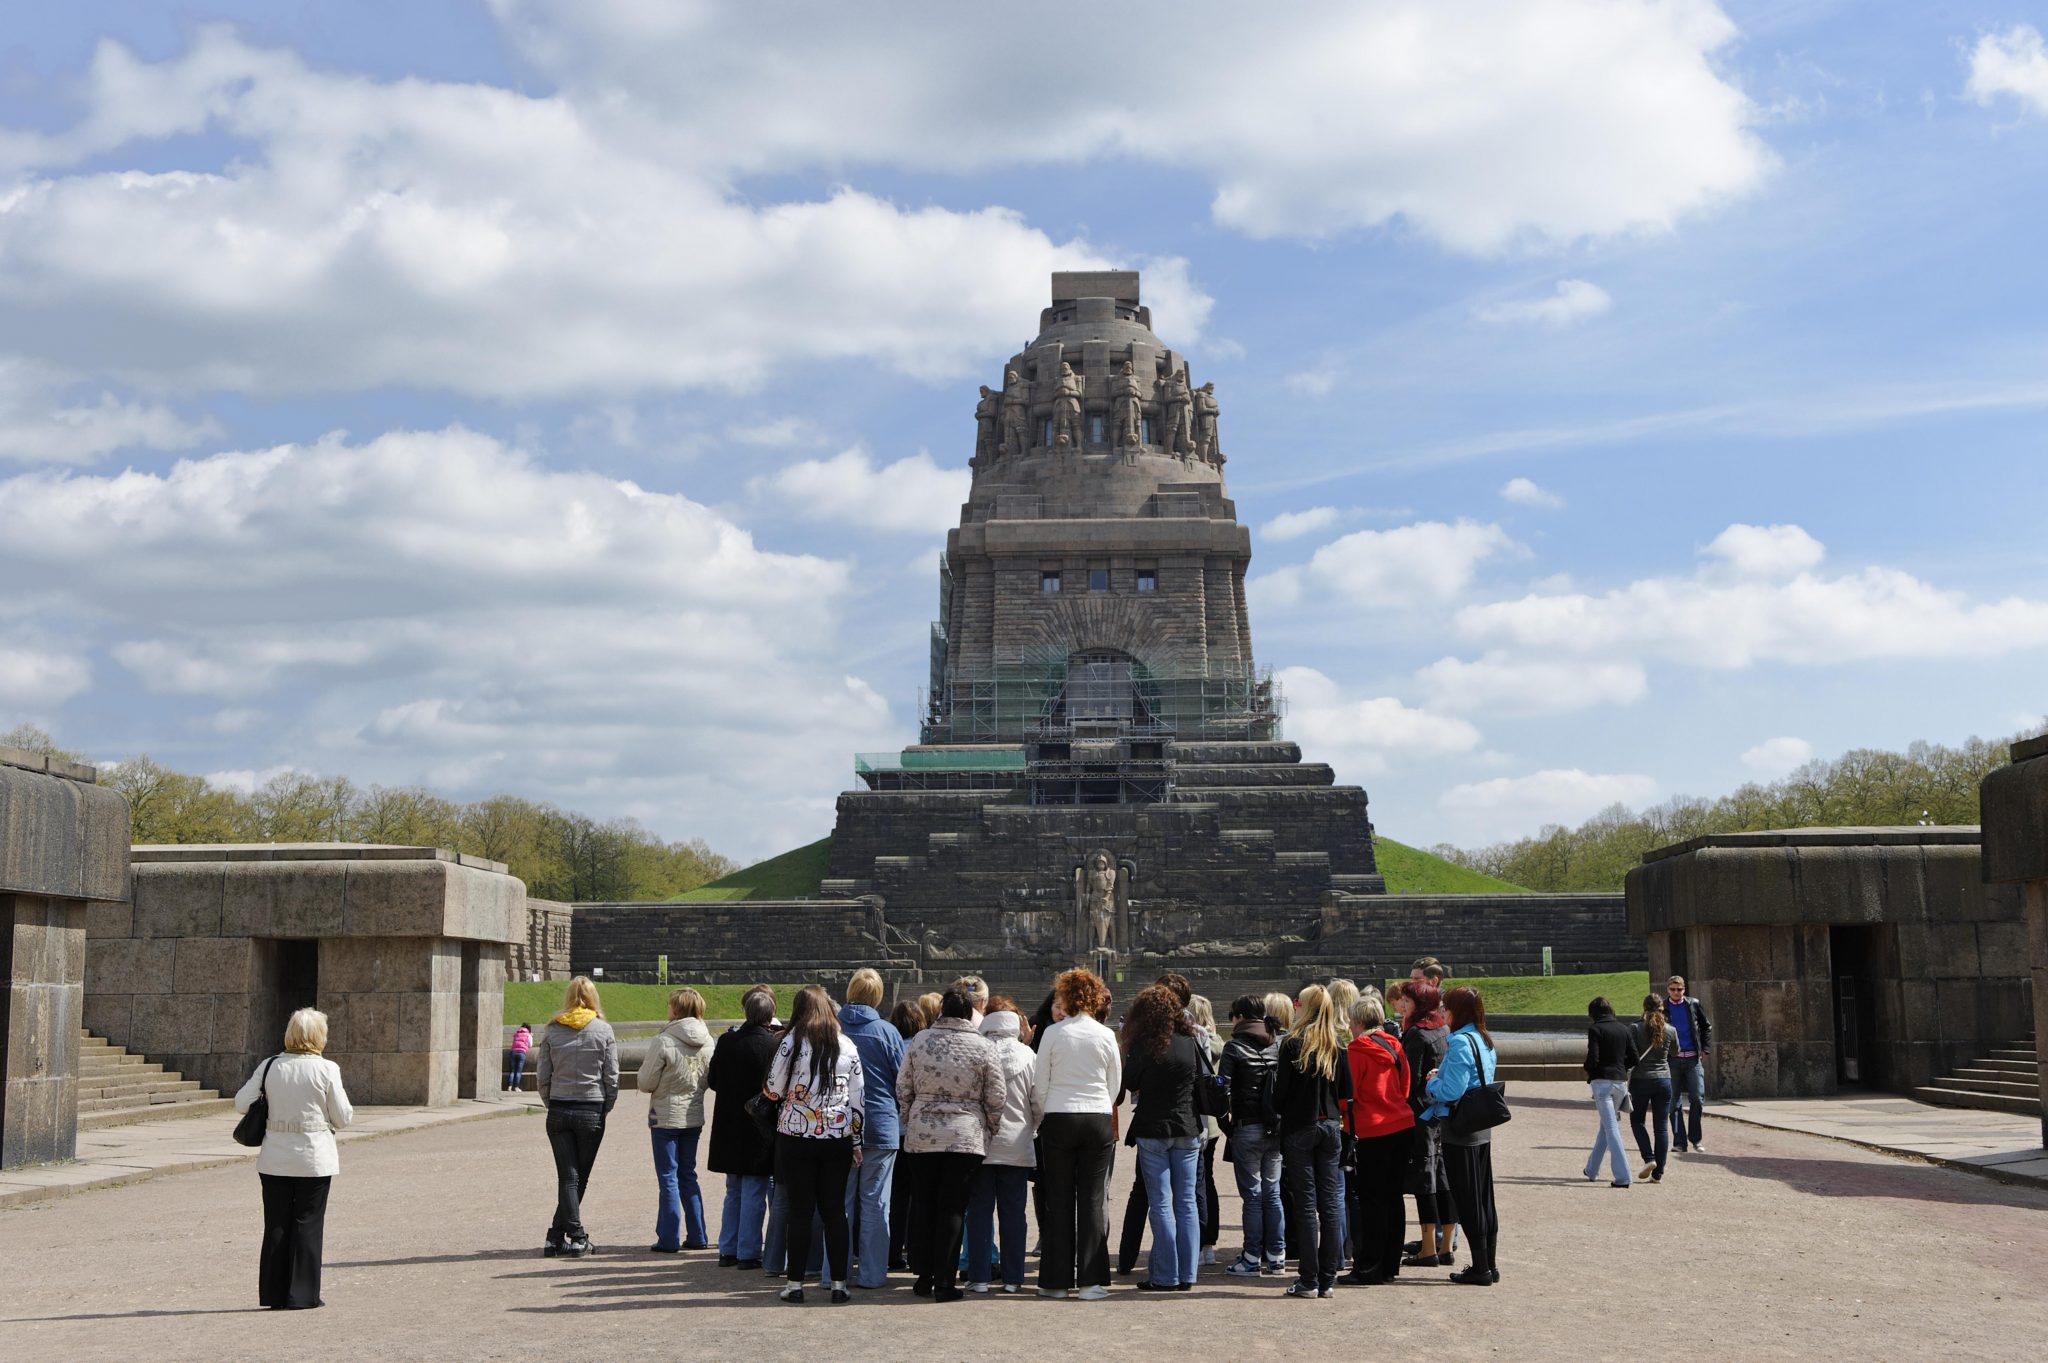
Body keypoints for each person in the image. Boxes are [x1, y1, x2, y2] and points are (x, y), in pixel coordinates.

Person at [234, 1007, 353, 1309]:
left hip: (275, 1155)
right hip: (314, 1156)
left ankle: (274, 1292)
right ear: (319, 1037)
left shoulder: (270, 1065)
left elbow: (241, 1103)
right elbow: (342, 1118)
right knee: (308, 1224)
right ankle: (302, 1293)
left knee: (276, 1224)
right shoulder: (327, 1069)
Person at [896, 984, 1003, 1302]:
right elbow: (996, 1096)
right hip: (964, 1134)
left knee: (925, 1204)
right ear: (970, 1012)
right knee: (953, 1208)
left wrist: (911, 1117)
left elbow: (903, 1087)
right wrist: (989, 1129)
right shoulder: (983, 1046)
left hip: (923, 1133)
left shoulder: (921, 1040)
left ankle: (923, 1276)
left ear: (942, 1010)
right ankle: (945, 1280)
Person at [764, 984, 866, 1304]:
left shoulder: (790, 1043)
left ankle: (795, 1284)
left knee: (800, 1211)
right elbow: (858, 1100)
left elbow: (772, 1088)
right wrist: (857, 1141)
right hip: (836, 1136)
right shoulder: (847, 1044)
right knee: (835, 1212)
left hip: (795, 1136)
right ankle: (838, 1284)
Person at [1031, 968, 1122, 1301]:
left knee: (1058, 1199)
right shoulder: (1106, 1034)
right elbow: (1115, 1084)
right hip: (1096, 1117)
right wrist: (1098, 1103)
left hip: (1058, 1116)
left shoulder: (1054, 1033)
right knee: (1093, 1200)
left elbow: (1040, 1084)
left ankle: (1054, 1282)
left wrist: (1049, 1110)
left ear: (1065, 998)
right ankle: (1090, 1282)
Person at [1121, 984, 1204, 1292]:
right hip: (1186, 1127)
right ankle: (1188, 1273)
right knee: (1186, 1202)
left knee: (1161, 1202)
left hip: (1153, 1128)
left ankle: (1166, 1275)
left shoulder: (1145, 1044)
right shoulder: (1189, 1041)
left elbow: (1129, 1082)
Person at [1273, 983, 1352, 1299]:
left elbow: (1280, 1098)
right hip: (1330, 1125)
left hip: (1300, 1127)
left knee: (1306, 1205)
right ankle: (1328, 1278)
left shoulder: (1293, 1043)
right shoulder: (1338, 1044)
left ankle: (1309, 1278)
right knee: (1330, 1203)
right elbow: (1345, 1091)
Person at [535, 975, 619, 1258]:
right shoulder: (603, 1030)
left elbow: (543, 1075)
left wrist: (550, 1101)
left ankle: (555, 1237)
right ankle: (577, 1236)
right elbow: (612, 1077)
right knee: (577, 1178)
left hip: (559, 1108)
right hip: (590, 1108)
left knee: (568, 1177)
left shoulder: (552, 1031)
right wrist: (605, 1105)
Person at [1425, 986, 1500, 1286]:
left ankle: (1480, 1267)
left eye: (1447, 1007)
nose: (1443, 1012)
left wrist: (1432, 1084)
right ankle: (1489, 1264)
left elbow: (1452, 1090)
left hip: (1460, 1128)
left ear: (1459, 1011)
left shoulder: (1458, 1042)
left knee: (1468, 1201)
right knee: (1485, 1199)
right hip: (1482, 1126)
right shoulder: (1484, 1038)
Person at [1341, 990, 1415, 1285]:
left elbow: (1348, 1095)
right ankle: (1388, 1265)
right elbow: (1406, 1085)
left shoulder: (1357, 1050)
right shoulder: (1395, 1044)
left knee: (1372, 1201)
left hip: (1372, 1129)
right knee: (1393, 1198)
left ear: (1358, 1021)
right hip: (1401, 1124)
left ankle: (1369, 1265)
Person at [838, 968, 905, 1288]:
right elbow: (902, 1081)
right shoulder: (887, 1032)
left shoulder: (832, 1027)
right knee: (876, 1203)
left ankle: (833, 1272)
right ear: (877, 997)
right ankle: (872, 1273)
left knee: (840, 1203)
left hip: (838, 1123)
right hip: (880, 1123)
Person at [707, 988, 781, 1269]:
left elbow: (713, 1080)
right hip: (758, 1127)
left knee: (733, 1190)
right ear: (770, 1016)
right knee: (753, 1190)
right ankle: (748, 1251)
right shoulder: (772, 1046)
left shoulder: (726, 1041)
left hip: (729, 1124)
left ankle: (728, 1248)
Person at [966, 1002, 1036, 1293]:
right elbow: (1039, 1101)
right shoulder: (1028, 1055)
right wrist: (1030, 1127)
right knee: (1014, 1214)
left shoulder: (976, 1051)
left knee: (979, 1212)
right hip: (1016, 1141)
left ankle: (980, 1276)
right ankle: (1013, 1278)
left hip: (981, 1142)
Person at [637, 987, 712, 1253]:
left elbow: (646, 1081)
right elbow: (708, 1080)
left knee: (668, 1176)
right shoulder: (708, 1040)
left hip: (666, 1116)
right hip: (693, 1115)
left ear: (676, 1009)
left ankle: (668, 1238)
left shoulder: (664, 1040)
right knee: (688, 1175)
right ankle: (698, 1233)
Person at [1219, 993, 1284, 1277]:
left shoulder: (1233, 1047)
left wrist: (1226, 1125)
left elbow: (1221, 1088)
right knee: (1273, 1193)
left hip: (1247, 1126)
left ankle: (1251, 1256)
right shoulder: (1279, 1043)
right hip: (1276, 1127)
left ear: (1240, 1017)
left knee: (1253, 1196)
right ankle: (1277, 1254)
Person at [1398, 982, 1457, 1269]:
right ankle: (1446, 1246)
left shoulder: (1417, 1034)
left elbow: (1408, 1080)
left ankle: (1428, 1248)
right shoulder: (1443, 1029)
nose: (1402, 1004)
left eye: (1407, 1000)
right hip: (1440, 1114)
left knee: (1426, 1181)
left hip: (1420, 1115)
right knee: (1443, 1179)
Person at [1583, 996, 1639, 1188]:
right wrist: (1621, 1067)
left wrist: (1588, 1069)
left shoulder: (1595, 1029)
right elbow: (1634, 1057)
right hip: (1620, 1082)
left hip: (1602, 1084)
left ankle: (1623, 1177)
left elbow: (1593, 1058)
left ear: (1593, 1014)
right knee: (1606, 1128)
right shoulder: (1624, 1029)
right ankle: (1592, 1169)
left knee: (1611, 1128)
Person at [1187, 994, 1225, 1266]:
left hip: (1193, 1119)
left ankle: (1196, 1241)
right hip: (1212, 1123)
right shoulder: (1219, 1042)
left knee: (1193, 1184)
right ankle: (1209, 1243)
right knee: (1207, 1181)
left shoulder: (1191, 1042)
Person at [1665, 975, 1713, 1154]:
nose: (1676, 993)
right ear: (1668, 990)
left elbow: (1706, 1026)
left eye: (1679, 989)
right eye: (1673, 989)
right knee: (1673, 1101)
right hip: (1672, 1060)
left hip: (1693, 1059)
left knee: (1697, 1098)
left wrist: (1704, 1049)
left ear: (1684, 990)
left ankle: (1696, 1139)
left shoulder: (1693, 1004)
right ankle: (1679, 1142)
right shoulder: (1663, 1007)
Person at [1629, 993, 1675, 1182]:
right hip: (1664, 1080)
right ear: (1662, 1008)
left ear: (1644, 1007)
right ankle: (1658, 1173)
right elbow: (1675, 1051)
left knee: (1637, 1121)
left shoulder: (1635, 1028)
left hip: (1641, 1080)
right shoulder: (1670, 1029)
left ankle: (1649, 1158)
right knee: (1661, 1127)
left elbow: (1630, 1053)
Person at [507, 1021, 532, 1091]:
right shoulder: (528, 1035)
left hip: (513, 1052)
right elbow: (530, 1045)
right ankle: (516, 1087)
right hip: (521, 1053)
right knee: (518, 1071)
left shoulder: (516, 1033)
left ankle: (509, 1086)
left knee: (512, 1071)